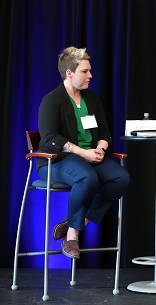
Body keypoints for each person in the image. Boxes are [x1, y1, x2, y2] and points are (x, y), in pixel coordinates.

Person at [37, 46, 130, 259]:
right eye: (85, 71)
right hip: (57, 161)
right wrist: (82, 153)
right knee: (87, 178)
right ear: (69, 73)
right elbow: (49, 139)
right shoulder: (52, 100)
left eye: (89, 71)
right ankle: (72, 235)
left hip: (90, 157)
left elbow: (105, 132)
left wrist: (100, 148)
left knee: (121, 177)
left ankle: (76, 220)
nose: (90, 75)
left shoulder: (92, 99)